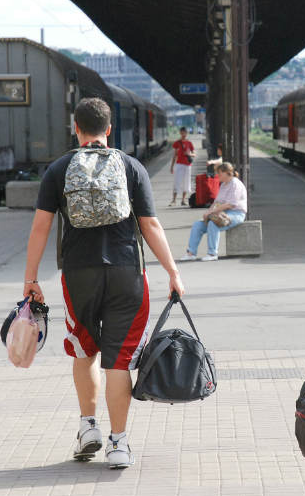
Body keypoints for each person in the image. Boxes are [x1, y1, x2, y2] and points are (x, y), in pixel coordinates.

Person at [23, 97, 185, 469]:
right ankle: (119, 443)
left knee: (84, 351)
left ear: (75, 128)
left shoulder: (59, 169)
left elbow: (41, 227)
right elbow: (150, 225)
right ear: (109, 129)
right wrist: (173, 272)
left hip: (79, 275)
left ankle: (88, 427)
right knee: (118, 361)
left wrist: (31, 278)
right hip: (128, 273)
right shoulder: (131, 167)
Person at [178, 162, 247, 262]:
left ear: (226, 173)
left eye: (219, 173)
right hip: (223, 213)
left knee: (213, 224)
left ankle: (212, 253)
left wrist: (212, 213)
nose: (217, 175)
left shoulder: (235, 184)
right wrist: (208, 213)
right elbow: (216, 202)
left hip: (236, 213)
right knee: (198, 225)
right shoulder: (223, 185)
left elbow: (230, 204)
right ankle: (191, 253)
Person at [169, 127, 195, 206]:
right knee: (177, 181)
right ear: (180, 133)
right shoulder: (177, 143)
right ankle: (174, 200)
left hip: (187, 165)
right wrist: (172, 166)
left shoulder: (189, 143)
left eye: (185, 132)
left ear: (187, 133)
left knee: (186, 183)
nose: (183, 134)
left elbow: (194, 154)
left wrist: (189, 154)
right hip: (179, 164)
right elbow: (174, 155)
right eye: (182, 132)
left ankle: (183, 200)